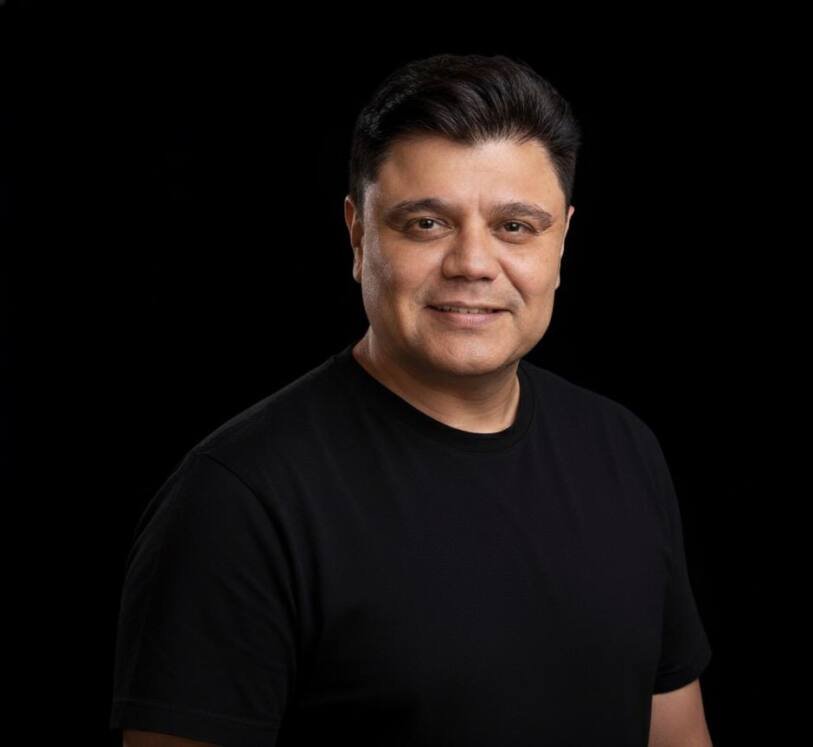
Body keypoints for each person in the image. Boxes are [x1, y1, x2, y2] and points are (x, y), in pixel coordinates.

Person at [110, 52, 713, 747]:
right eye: (426, 223)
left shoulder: (622, 451)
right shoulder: (239, 500)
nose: (473, 263)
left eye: (515, 226)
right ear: (358, 234)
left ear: (562, 242)